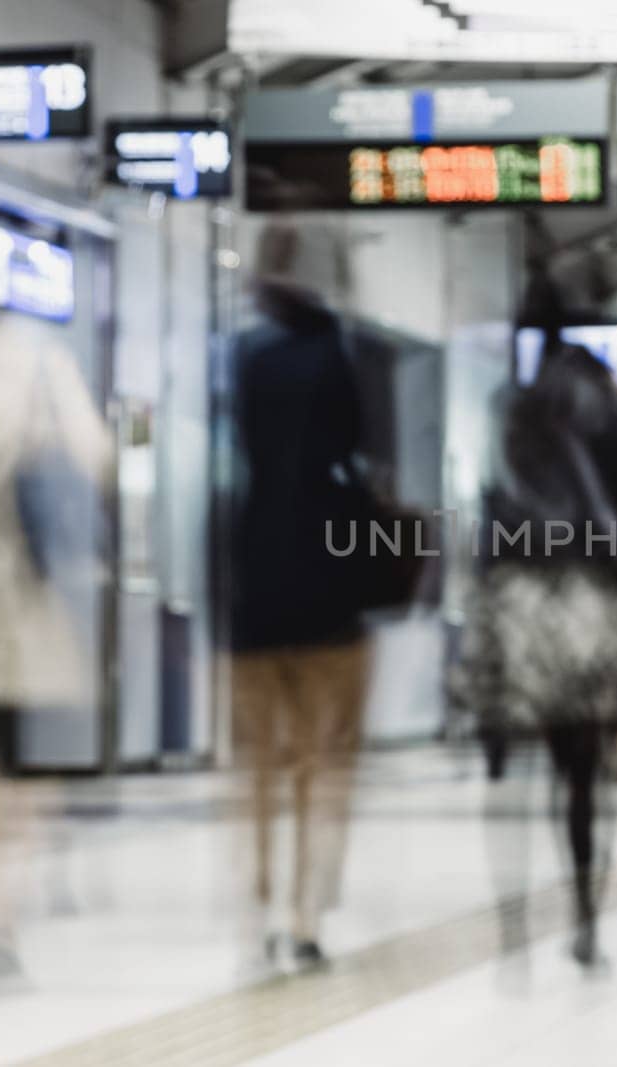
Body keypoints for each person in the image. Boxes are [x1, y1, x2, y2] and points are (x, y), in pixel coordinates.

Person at [458, 342, 617, 967]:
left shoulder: (511, 414)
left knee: (511, 781)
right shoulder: (607, 419)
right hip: (590, 608)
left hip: (519, 609)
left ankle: (514, 931)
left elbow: (491, 516)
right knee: (583, 777)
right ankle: (584, 918)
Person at [224, 223, 372, 972]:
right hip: (328, 580)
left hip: (256, 577)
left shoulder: (246, 356)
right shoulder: (332, 351)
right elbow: (352, 441)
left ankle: (256, 902)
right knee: (323, 758)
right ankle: (306, 912)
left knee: (258, 760)